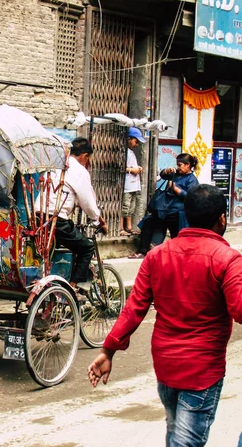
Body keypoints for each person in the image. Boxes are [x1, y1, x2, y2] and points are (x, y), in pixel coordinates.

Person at [88, 184, 242, 446]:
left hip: (166, 366)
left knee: (174, 431)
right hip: (202, 372)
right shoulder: (227, 259)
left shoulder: (157, 255)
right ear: (222, 219)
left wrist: (108, 350)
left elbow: (135, 307)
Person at [36, 137, 108, 291]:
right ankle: (73, 287)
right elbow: (88, 202)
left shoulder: (57, 165)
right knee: (87, 248)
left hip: (39, 218)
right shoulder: (79, 170)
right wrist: (98, 220)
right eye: (87, 158)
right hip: (57, 221)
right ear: (84, 156)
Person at [129, 153, 199, 259]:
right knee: (148, 222)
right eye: (177, 165)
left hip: (177, 213)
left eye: (180, 165)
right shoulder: (176, 174)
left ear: (187, 165)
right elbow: (163, 175)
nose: (178, 167)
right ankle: (143, 251)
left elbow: (191, 197)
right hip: (165, 209)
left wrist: (177, 191)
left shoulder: (192, 180)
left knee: (177, 236)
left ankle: (178, 255)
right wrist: (166, 171)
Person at [119, 127, 145, 236]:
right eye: (136, 141)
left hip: (133, 185)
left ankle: (129, 227)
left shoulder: (131, 152)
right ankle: (121, 228)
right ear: (129, 139)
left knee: (131, 207)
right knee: (124, 206)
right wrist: (132, 170)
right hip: (126, 185)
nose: (137, 144)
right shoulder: (123, 152)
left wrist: (137, 168)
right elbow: (120, 168)